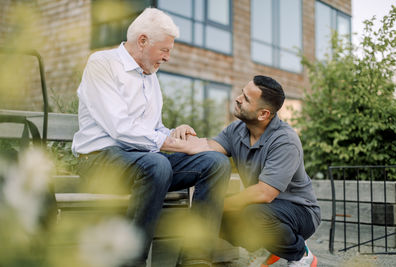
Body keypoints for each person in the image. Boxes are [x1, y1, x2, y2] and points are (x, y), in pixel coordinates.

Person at [71, 8, 230, 267]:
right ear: (143, 41)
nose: (167, 58)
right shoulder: (102, 63)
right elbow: (120, 128)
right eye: (164, 50)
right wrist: (172, 144)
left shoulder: (150, 76)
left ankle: (196, 258)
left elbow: (152, 128)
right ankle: (132, 260)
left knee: (215, 163)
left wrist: (176, 134)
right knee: (157, 164)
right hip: (99, 161)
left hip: (145, 163)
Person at [203, 75, 321, 267]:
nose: (238, 99)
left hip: (301, 212)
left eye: (246, 99)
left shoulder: (285, 140)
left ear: (263, 114)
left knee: (251, 213)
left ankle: (300, 253)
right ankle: (272, 245)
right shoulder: (236, 130)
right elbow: (208, 147)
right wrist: (176, 137)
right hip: (266, 209)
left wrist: (217, 204)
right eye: (242, 93)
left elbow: (264, 193)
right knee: (217, 219)